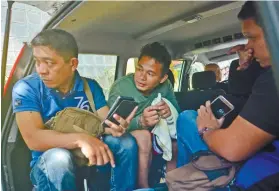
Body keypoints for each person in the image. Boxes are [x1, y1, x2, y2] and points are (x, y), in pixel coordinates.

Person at [12, 29, 138, 191]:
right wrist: (81, 139)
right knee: (59, 159)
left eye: (49, 63)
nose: (41, 70)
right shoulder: (27, 88)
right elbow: (33, 139)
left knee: (126, 142)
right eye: (37, 61)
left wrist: (116, 127)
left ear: (73, 64)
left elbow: (105, 123)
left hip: (86, 159)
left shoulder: (90, 87)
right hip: (47, 163)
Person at [176, 1, 279, 189]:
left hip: (252, 175)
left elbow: (232, 149)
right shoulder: (267, 77)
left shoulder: (274, 80)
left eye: (252, 38)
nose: (248, 46)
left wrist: (207, 130)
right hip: (260, 159)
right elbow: (246, 99)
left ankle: (187, 182)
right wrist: (245, 69)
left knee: (187, 118)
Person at [108, 42, 180, 188]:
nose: (141, 77)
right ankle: (143, 187)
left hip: (158, 132)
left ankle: (172, 185)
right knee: (143, 136)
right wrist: (141, 121)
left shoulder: (166, 86)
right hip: (127, 133)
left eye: (150, 73)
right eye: (139, 69)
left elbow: (176, 110)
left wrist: (168, 112)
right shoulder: (121, 87)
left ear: (162, 78)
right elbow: (111, 126)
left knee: (176, 143)